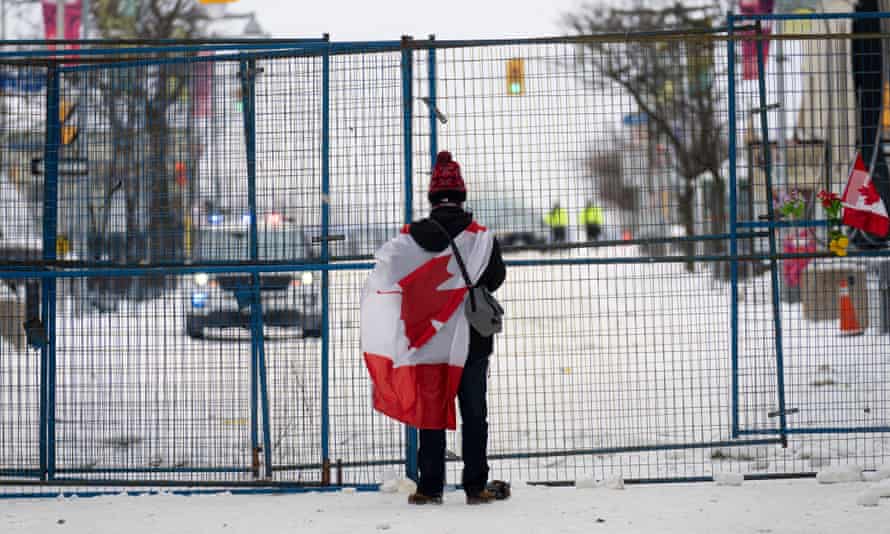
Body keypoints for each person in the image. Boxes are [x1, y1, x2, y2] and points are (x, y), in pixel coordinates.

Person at [360, 151, 506, 506]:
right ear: (461, 194)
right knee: (474, 412)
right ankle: (475, 486)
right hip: (471, 340)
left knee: (431, 411)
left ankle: (430, 487)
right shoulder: (481, 239)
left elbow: (389, 273)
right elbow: (496, 278)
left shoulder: (410, 240)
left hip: (428, 338)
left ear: (431, 196)